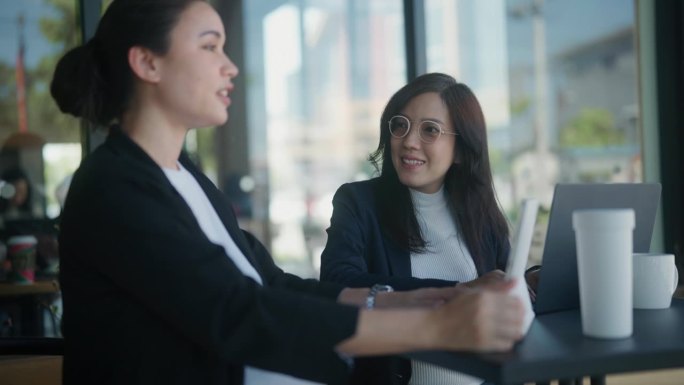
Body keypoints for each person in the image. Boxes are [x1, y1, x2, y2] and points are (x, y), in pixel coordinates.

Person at [49, 1, 524, 384]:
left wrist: (429, 300)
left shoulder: (186, 180)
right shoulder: (114, 188)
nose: (230, 67)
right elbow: (237, 314)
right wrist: (436, 327)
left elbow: (273, 286)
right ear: (147, 62)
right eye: (210, 47)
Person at [320, 73, 526, 385]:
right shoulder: (359, 202)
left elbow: (502, 295)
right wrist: (457, 291)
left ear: (460, 150)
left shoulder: (483, 217)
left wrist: (530, 282)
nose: (409, 141)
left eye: (430, 130)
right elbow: (338, 282)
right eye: (400, 125)